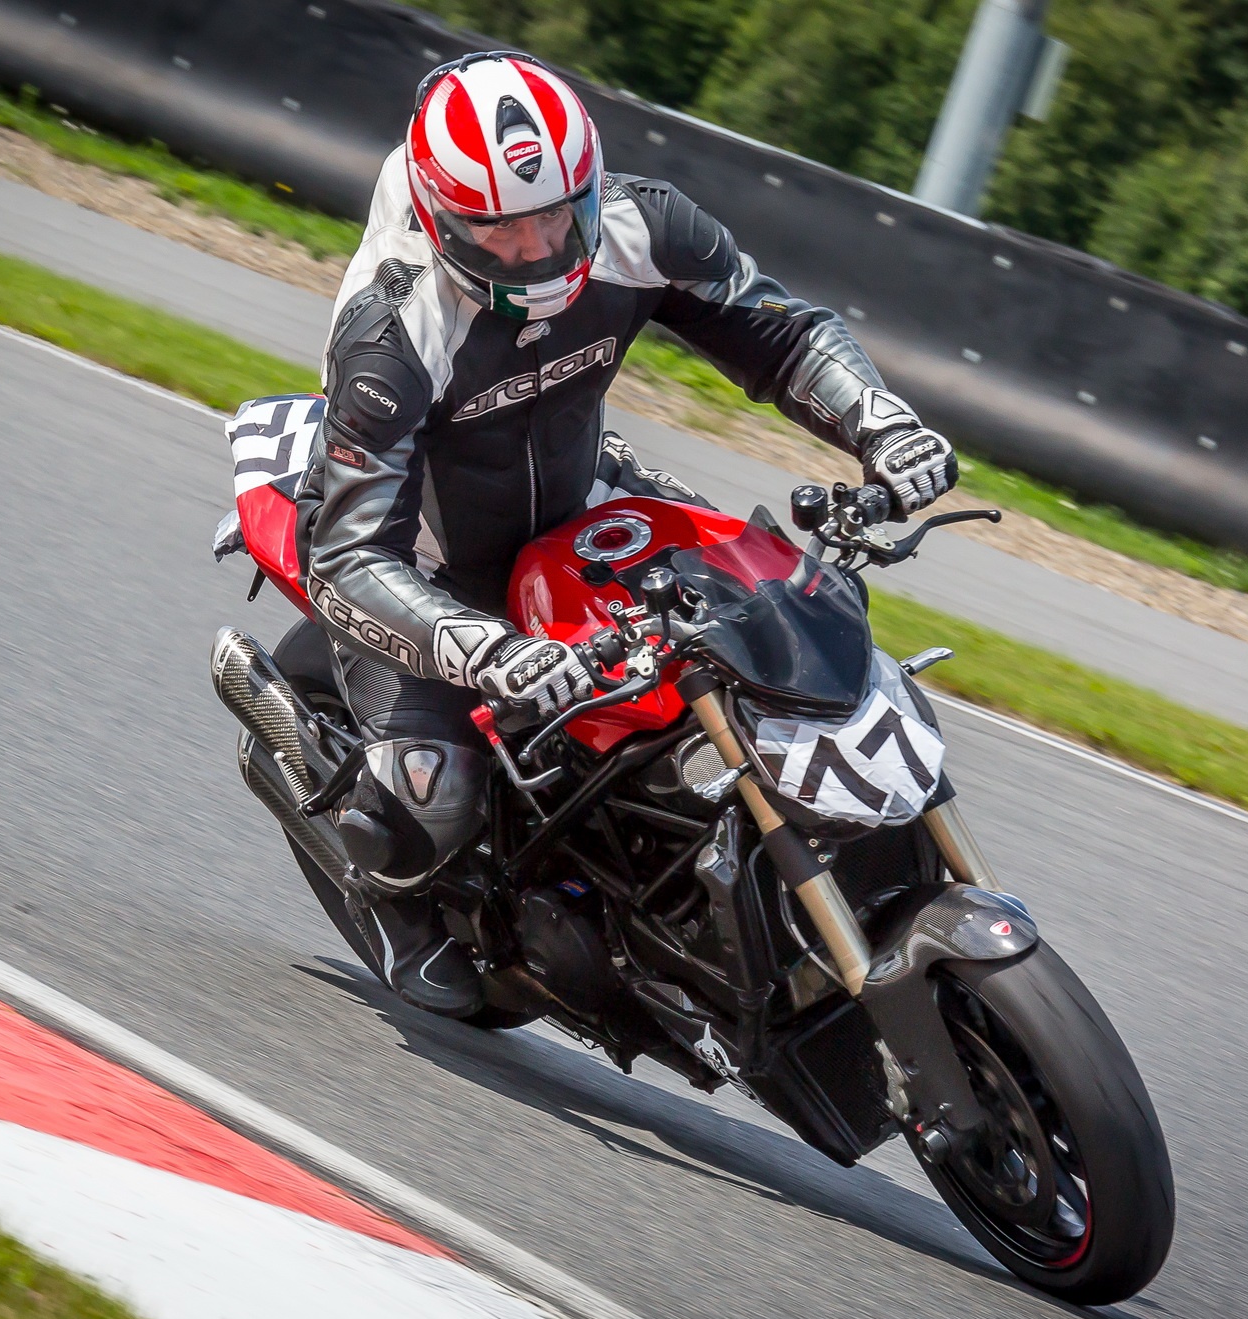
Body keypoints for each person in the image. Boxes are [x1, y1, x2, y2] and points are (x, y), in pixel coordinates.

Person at [293, 50, 957, 1016]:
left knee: (759, 636)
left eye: (555, 214)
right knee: (429, 803)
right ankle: (393, 901)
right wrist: (483, 650)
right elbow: (348, 556)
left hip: (586, 504)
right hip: (427, 568)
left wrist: (881, 422)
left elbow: (781, 329)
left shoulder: (644, 224)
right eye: (499, 228)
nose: (534, 245)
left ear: (589, 185)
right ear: (441, 220)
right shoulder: (392, 337)